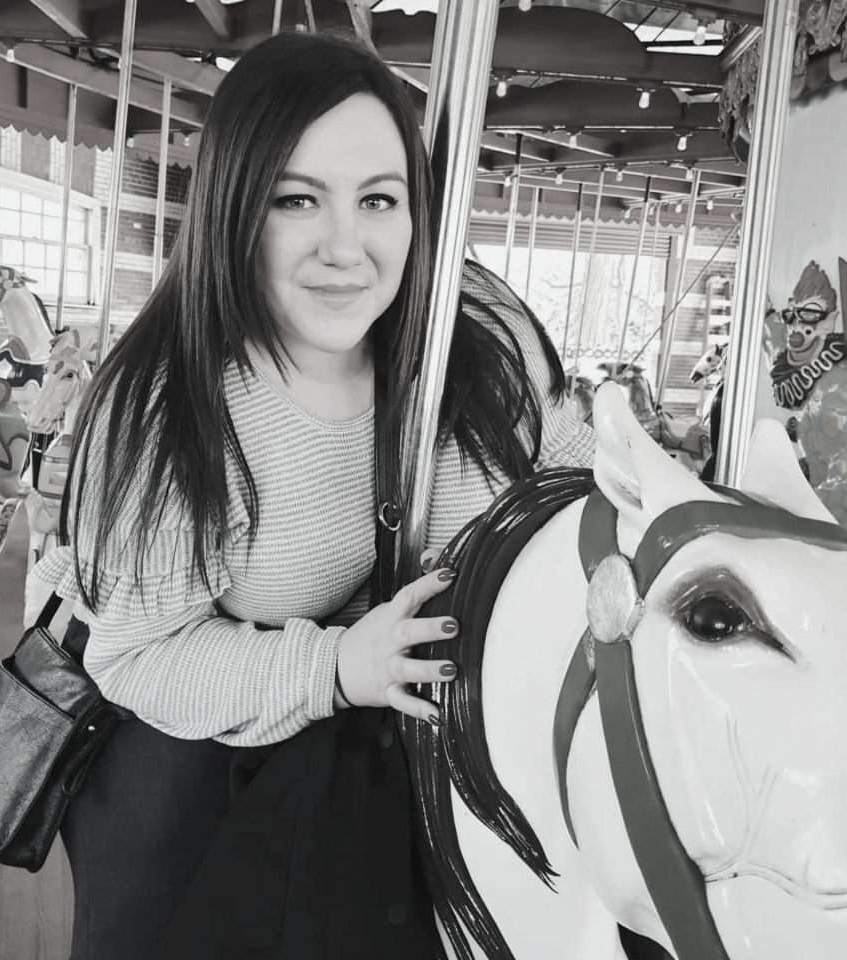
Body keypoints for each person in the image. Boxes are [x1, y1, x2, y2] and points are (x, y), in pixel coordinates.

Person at [35, 29, 594, 960]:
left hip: (414, 761)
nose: (347, 248)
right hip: (197, 755)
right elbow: (136, 657)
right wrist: (337, 668)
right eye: (298, 200)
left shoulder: (481, 334)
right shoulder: (170, 402)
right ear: (234, 208)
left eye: (379, 200)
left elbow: (570, 481)